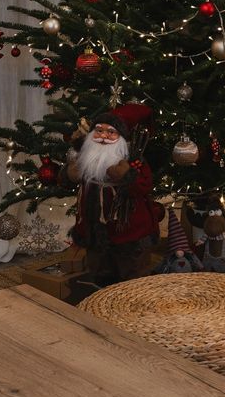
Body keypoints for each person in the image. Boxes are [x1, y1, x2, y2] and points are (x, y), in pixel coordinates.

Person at [63, 105, 162, 285]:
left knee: (132, 275)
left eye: (111, 132)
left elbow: (144, 186)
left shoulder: (133, 160)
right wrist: (69, 174)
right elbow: (66, 180)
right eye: (99, 131)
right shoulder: (85, 157)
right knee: (100, 272)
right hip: (94, 230)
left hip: (128, 231)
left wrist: (126, 176)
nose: (103, 137)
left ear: (122, 138)